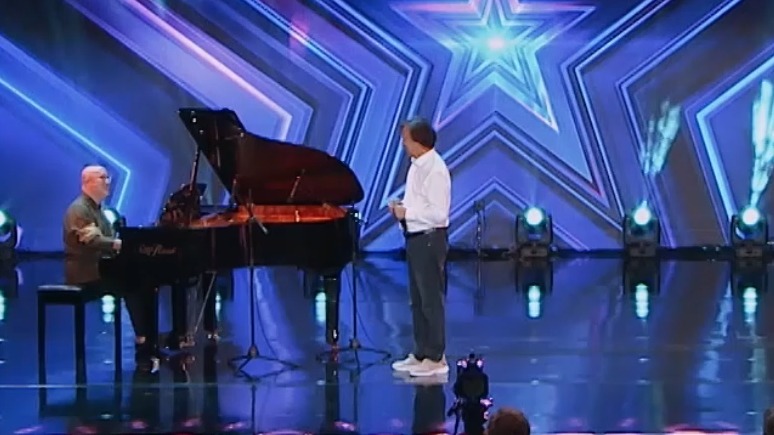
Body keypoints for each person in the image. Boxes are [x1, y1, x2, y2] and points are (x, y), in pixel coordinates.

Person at [63, 165, 157, 366]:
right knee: (133, 283)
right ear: (88, 182)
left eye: (107, 177)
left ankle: (148, 337)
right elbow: (91, 240)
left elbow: (107, 237)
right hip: (86, 272)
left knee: (144, 280)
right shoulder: (79, 209)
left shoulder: (99, 210)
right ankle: (143, 340)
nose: (108, 182)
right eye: (103, 178)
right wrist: (119, 244)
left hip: (101, 266)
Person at [389, 117, 451, 377]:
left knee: (430, 301)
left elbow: (438, 214)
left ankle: (436, 357)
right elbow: (419, 204)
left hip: (429, 239)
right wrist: (401, 208)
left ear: (419, 141)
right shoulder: (416, 166)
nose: (403, 144)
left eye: (406, 139)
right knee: (417, 301)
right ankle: (421, 352)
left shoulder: (435, 170)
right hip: (414, 238)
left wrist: (407, 213)